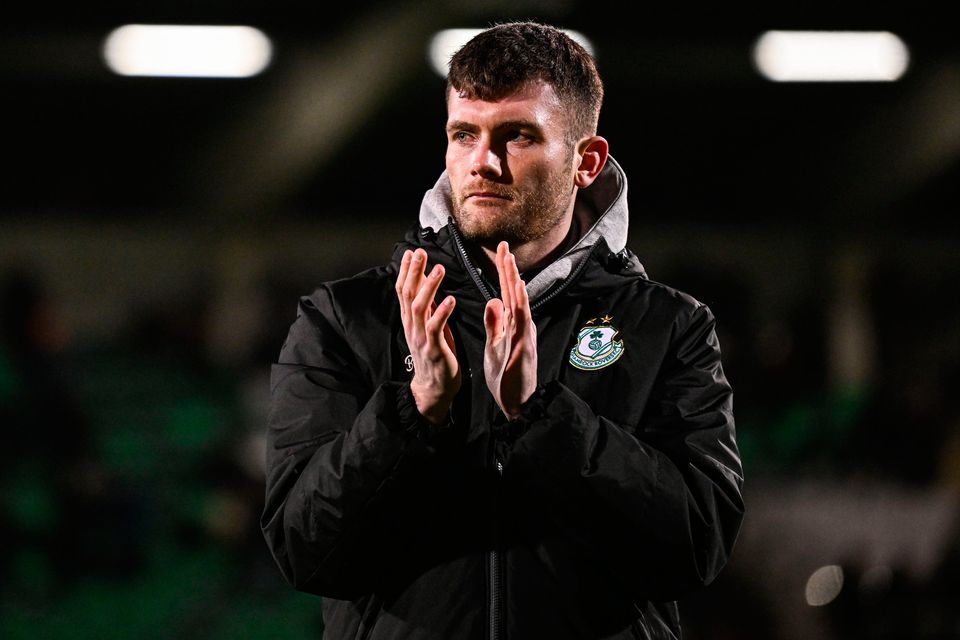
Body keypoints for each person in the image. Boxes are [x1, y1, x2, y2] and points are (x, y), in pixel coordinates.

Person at [261, 21, 744, 639]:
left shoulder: (668, 327)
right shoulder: (344, 320)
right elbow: (303, 549)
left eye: (517, 136)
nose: (483, 162)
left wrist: (540, 415)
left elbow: (697, 547)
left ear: (585, 161)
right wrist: (413, 414)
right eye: (464, 135)